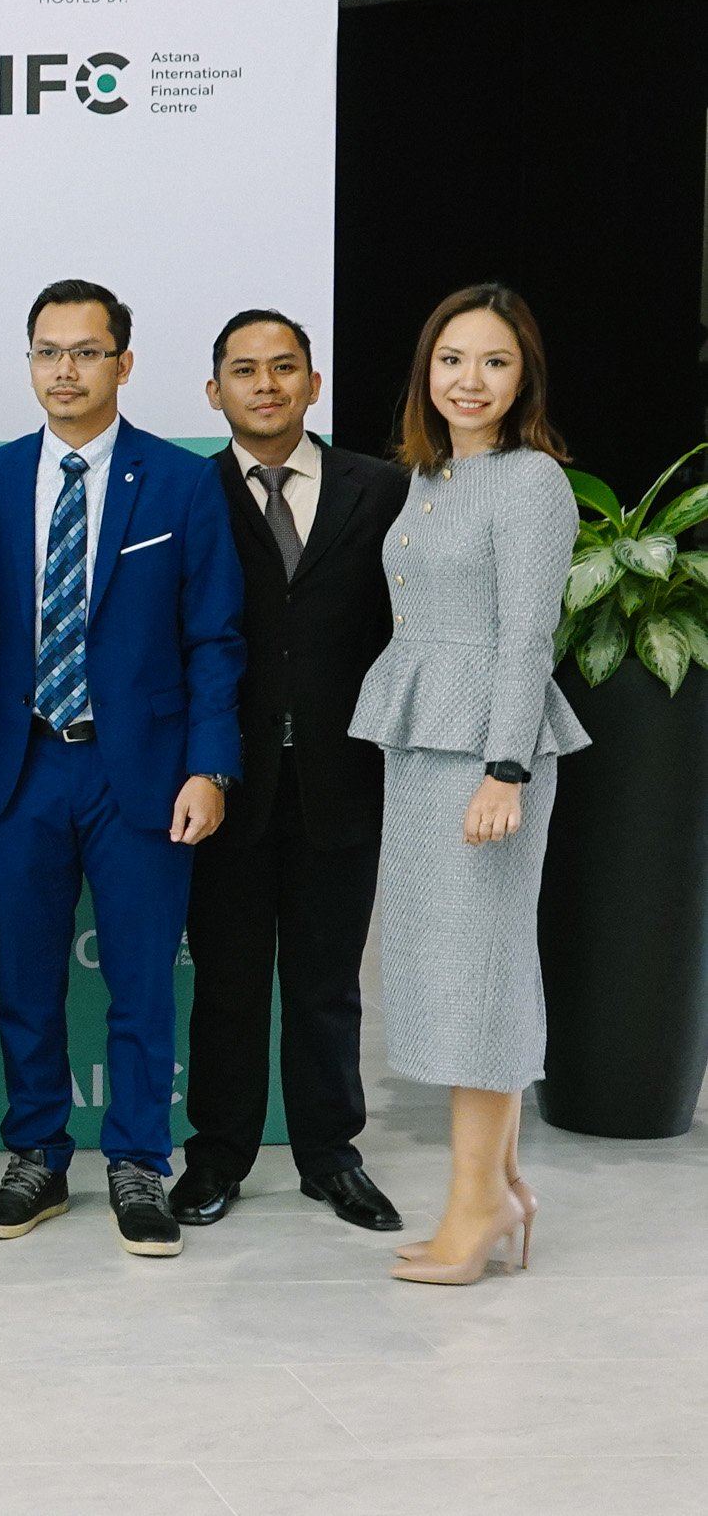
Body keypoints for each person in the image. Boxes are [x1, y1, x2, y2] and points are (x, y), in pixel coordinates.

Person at [0, 278, 244, 1259]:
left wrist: (209, 768)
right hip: (20, 766)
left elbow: (213, 637)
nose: (63, 369)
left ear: (123, 361)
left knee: (142, 982)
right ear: (29, 362)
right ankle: (34, 1157)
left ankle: (137, 1163)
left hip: (141, 774)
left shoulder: (180, 480)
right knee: (23, 982)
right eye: (47, 351)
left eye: (84, 351)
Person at [350, 284, 587, 1285]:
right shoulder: (432, 474)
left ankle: (476, 1205)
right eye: (452, 359)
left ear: (523, 376)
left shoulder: (530, 482)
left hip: (485, 755)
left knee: (480, 978)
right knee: (450, 972)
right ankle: (503, 1188)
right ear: (426, 370)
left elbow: (527, 636)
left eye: (494, 361)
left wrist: (504, 769)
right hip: (422, 746)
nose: (469, 380)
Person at [172, 310, 409, 1234]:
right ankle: (217, 1156)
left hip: (342, 776)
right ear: (214, 391)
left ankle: (331, 1155)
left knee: (327, 984)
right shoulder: (186, 492)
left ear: (315, 383)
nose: (265, 384)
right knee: (226, 984)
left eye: (283, 367)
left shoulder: (380, 488)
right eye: (244, 370)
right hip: (224, 782)